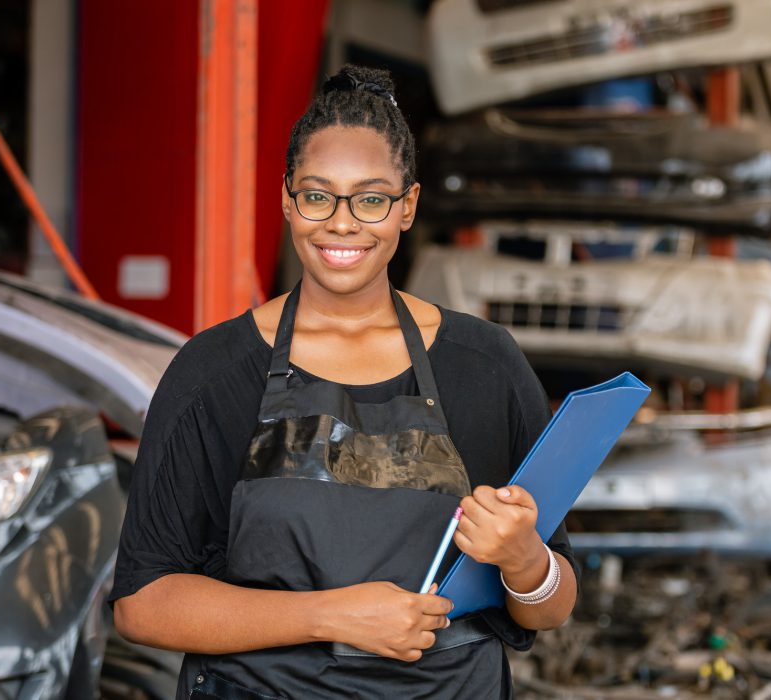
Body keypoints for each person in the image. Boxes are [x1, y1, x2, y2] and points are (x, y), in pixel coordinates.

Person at [110, 64, 579, 699]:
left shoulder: (485, 365)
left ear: (407, 206)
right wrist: (331, 616)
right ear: (287, 199)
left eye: (370, 198)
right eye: (317, 194)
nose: (341, 222)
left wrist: (525, 560)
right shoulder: (215, 372)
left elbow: (551, 605)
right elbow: (143, 603)